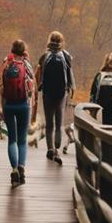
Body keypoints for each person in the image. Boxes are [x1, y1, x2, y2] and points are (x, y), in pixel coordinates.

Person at [0, 40, 35, 187]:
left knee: (12, 139)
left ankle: (14, 170)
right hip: (24, 105)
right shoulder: (27, 64)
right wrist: (32, 108)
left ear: (12, 50)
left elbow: (0, 86)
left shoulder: (6, 63)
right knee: (22, 140)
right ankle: (22, 168)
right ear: (24, 50)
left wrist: (0, 107)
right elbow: (33, 87)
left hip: (9, 105)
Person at [34, 31, 73, 165]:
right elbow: (69, 74)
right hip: (62, 93)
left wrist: (38, 87)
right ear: (62, 42)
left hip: (47, 93)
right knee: (59, 124)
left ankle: (50, 149)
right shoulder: (66, 55)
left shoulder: (44, 56)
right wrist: (70, 88)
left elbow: (38, 75)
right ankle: (57, 148)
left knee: (49, 124)